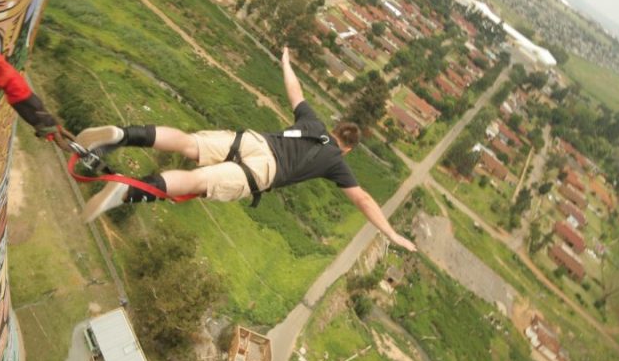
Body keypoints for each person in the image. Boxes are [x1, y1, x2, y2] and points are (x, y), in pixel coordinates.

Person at [77, 47, 417, 252]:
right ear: (348, 149)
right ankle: (126, 191)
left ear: (334, 128)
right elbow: (364, 200)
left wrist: (285, 62)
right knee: (197, 181)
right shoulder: (336, 162)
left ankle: (122, 134)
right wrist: (390, 233)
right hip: (263, 172)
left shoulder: (313, 122)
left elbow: (295, 92)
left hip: (255, 141)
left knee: (188, 143)